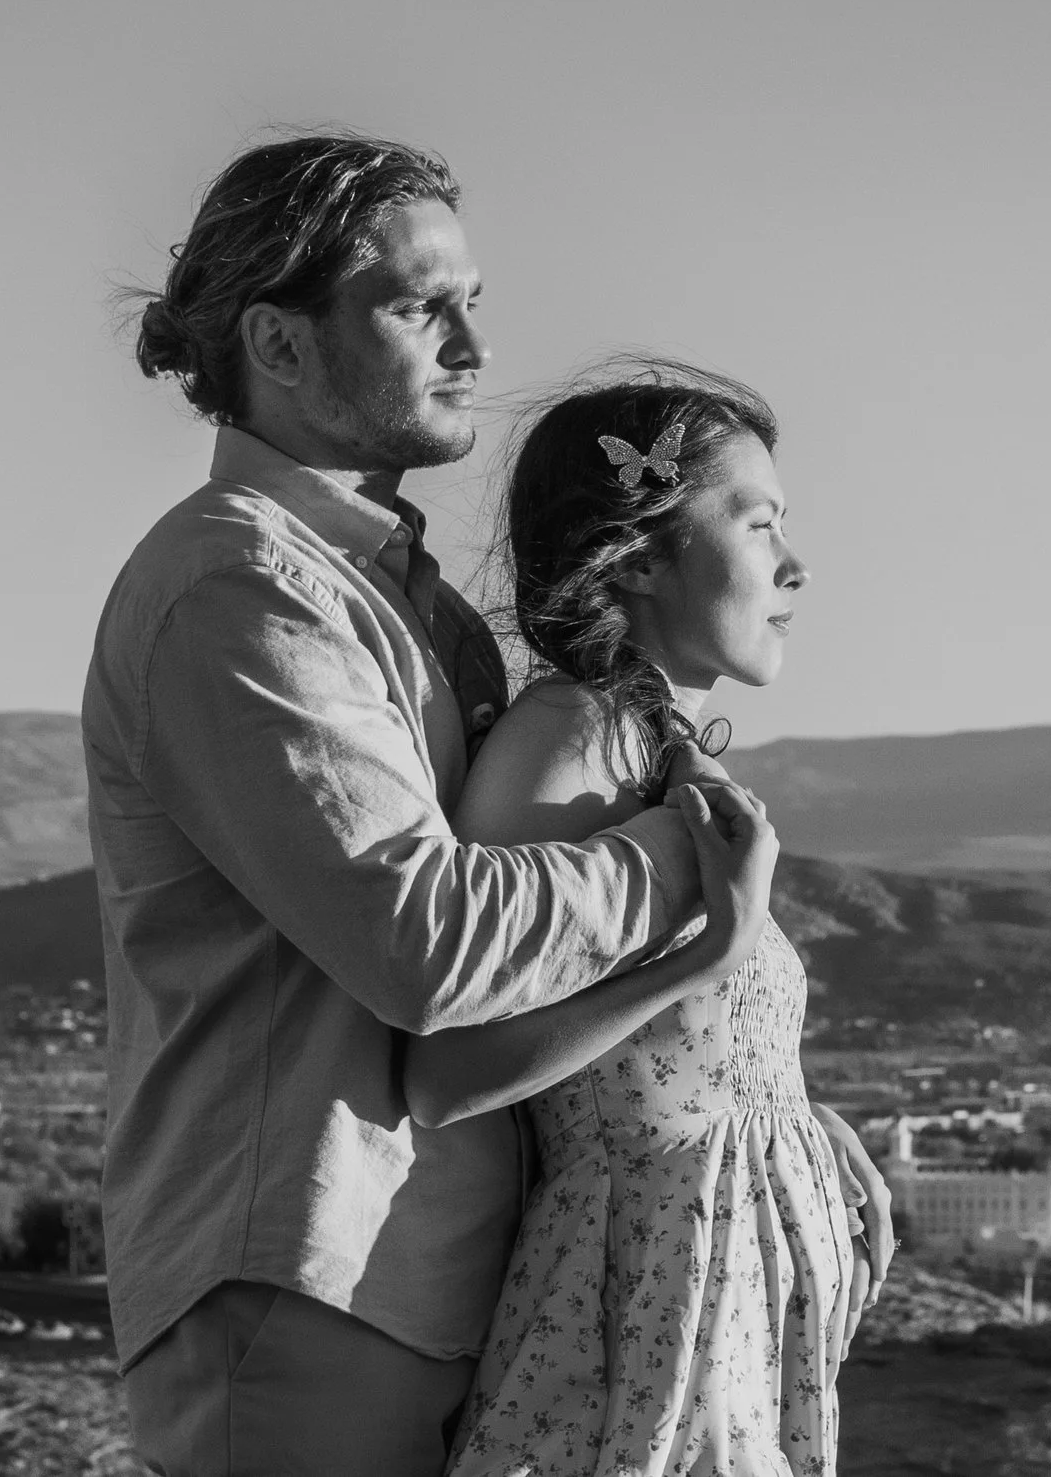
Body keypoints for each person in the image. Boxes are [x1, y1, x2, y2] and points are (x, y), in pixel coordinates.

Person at [87, 133, 749, 1475]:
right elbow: (424, 939)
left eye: (471, 301)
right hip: (305, 1277)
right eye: (416, 305)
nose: (471, 344)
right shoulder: (239, 587)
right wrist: (685, 857)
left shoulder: (392, 596)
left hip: (417, 1273)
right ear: (279, 343)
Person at [414, 363, 892, 1477]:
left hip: (722, 1330)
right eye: (760, 524)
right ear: (635, 556)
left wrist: (800, 1120)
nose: (795, 565)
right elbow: (446, 1070)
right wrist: (713, 952)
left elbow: (671, 1066)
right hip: (638, 1331)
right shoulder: (570, 739)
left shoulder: (646, 747)